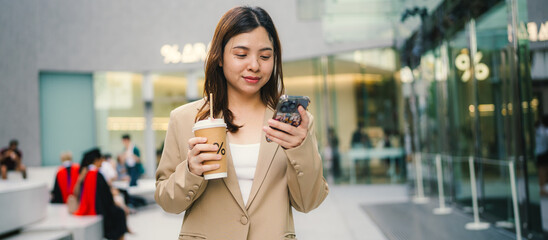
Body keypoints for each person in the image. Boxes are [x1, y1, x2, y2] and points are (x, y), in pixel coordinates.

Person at [155, 6, 328, 239]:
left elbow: (309, 202)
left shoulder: (293, 124)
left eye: (265, 56)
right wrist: (191, 171)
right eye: (241, 54)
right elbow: (167, 202)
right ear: (219, 57)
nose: (255, 65)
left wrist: (300, 149)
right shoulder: (185, 118)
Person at [75, 148, 128, 240]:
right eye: (100, 160)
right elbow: (107, 196)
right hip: (101, 210)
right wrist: (114, 203)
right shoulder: (97, 174)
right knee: (120, 213)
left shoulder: (86, 173)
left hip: (91, 207)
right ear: (96, 160)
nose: (102, 163)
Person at [535, 116, 548, 196]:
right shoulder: (543, 130)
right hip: (542, 153)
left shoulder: (539, 129)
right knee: (543, 172)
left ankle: (543, 188)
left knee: (543, 171)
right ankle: (542, 189)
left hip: (541, 152)